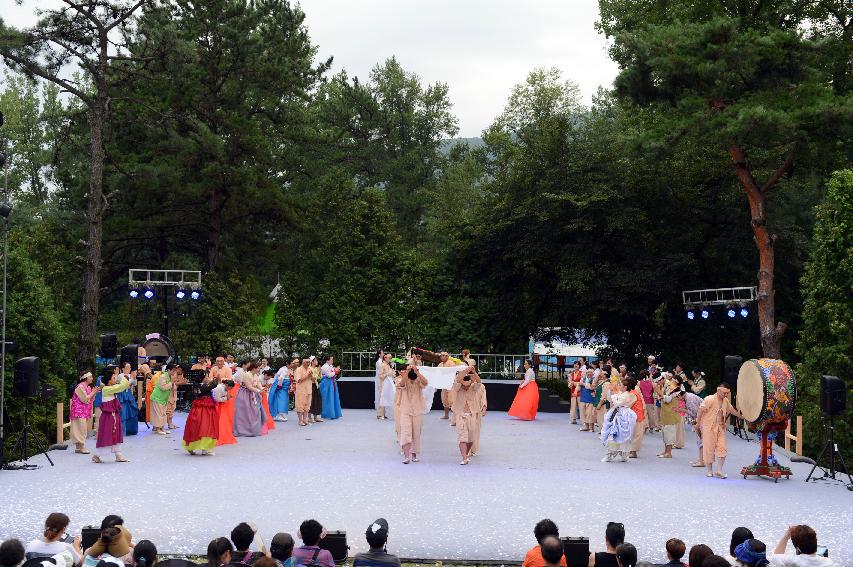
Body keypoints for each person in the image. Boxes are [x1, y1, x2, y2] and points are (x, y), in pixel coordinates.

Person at [695, 383, 744, 478]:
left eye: (727, 393)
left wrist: (741, 416)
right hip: (708, 427)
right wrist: (697, 423)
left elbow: (731, 410)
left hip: (720, 428)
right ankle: (709, 470)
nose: (726, 395)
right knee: (708, 448)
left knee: (722, 448)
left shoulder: (725, 401)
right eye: (724, 393)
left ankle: (719, 470)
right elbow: (700, 410)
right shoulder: (710, 399)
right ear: (718, 390)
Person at [93, 367, 132, 463]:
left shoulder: (110, 388)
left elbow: (123, 386)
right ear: (109, 380)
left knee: (117, 434)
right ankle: (97, 455)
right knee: (107, 435)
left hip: (114, 416)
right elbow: (121, 387)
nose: (115, 379)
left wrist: (123, 378)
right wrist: (122, 376)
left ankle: (118, 454)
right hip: (108, 417)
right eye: (113, 378)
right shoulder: (106, 389)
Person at [451, 364, 485, 465]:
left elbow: (479, 382)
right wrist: (465, 371)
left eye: (468, 384)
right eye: (464, 384)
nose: (466, 386)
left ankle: (466, 453)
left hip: (472, 414)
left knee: (471, 439)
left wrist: (473, 372)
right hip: (460, 414)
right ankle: (464, 457)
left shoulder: (474, 387)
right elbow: (457, 380)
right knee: (462, 437)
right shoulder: (457, 387)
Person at [183, 370, 220, 455]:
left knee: (197, 426)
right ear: (202, 378)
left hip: (199, 408)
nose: (208, 378)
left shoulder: (198, 386)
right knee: (206, 426)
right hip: (205, 408)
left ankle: (195, 447)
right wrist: (216, 379)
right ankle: (204, 448)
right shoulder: (202, 386)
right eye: (206, 377)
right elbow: (213, 385)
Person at [601, 379, 638, 462]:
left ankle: (623, 454)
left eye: (620, 385)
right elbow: (611, 400)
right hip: (616, 413)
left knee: (623, 435)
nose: (619, 386)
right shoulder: (620, 393)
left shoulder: (627, 395)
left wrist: (614, 394)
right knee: (612, 435)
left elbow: (617, 403)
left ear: (625, 387)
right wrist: (611, 391)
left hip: (623, 415)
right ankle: (610, 454)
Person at [397, 364, 428, 463]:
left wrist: (417, 372)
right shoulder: (402, 379)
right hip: (405, 410)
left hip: (417, 410)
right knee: (406, 433)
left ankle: (414, 455)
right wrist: (407, 371)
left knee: (416, 433)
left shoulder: (418, 380)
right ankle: (406, 456)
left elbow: (426, 382)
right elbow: (401, 384)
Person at [69, 372, 101, 454]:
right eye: (90, 377)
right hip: (78, 411)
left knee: (80, 428)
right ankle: (81, 446)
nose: (92, 378)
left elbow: (90, 399)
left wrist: (95, 392)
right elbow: (85, 399)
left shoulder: (88, 387)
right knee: (80, 428)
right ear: (85, 378)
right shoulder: (80, 387)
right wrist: (93, 392)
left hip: (83, 411)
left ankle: (78, 447)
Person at [233, 362, 266, 437]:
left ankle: (253, 429)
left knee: (255, 411)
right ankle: (242, 430)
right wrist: (259, 391)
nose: (259, 369)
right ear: (254, 368)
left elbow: (258, 383)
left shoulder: (255, 375)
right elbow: (249, 386)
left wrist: (262, 389)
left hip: (254, 394)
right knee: (244, 412)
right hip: (245, 394)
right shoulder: (247, 375)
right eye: (258, 368)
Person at [654, 373, 680, 459]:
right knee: (665, 432)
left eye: (658, 381)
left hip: (670, 412)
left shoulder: (671, 386)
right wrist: (659, 395)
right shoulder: (665, 385)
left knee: (669, 432)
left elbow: (668, 399)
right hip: (665, 412)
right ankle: (665, 451)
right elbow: (663, 397)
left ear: (662, 379)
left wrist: (659, 393)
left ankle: (669, 453)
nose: (658, 383)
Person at [150, 363, 178, 436]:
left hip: (163, 399)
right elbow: (163, 387)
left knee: (163, 414)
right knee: (159, 414)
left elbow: (173, 388)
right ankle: (158, 429)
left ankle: (161, 428)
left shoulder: (169, 377)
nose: (174, 373)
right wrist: (171, 382)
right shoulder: (162, 377)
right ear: (168, 370)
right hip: (157, 398)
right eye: (173, 371)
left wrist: (173, 382)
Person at [116, 363, 139, 436]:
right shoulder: (120, 375)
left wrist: (134, 377)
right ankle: (122, 431)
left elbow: (135, 384)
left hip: (129, 394)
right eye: (127, 368)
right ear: (123, 368)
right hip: (122, 395)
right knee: (123, 412)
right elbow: (124, 385)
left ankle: (131, 430)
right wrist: (132, 378)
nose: (129, 369)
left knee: (132, 411)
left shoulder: (130, 375)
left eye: (129, 368)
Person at [627, 374, 646, 458]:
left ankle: (633, 451)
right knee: (635, 433)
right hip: (636, 415)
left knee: (636, 434)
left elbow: (627, 405)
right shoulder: (632, 392)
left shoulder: (632, 393)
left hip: (636, 416)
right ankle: (632, 450)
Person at [319, 356, 342, 420]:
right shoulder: (324, 367)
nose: (332, 361)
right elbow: (329, 375)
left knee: (332, 398)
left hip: (331, 383)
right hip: (326, 384)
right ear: (327, 360)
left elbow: (333, 374)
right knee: (326, 399)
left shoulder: (330, 366)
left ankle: (333, 414)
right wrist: (335, 371)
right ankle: (325, 414)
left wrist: (335, 371)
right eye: (331, 360)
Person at [294, 358, 313, 426]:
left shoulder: (310, 369)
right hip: (301, 391)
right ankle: (300, 421)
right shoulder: (298, 370)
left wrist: (311, 376)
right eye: (307, 362)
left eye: (309, 362)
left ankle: (305, 420)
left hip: (308, 390)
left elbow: (313, 380)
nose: (308, 363)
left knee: (307, 406)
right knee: (300, 406)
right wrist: (307, 376)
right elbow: (298, 380)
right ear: (303, 362)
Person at [375, 354, 395, 420]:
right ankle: (379, 414)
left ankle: (384, 413)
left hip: (388, 384)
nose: (390, 359)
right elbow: (380, 376)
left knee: (386, 397)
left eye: (391, 358)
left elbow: (391, 374)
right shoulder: (382, 365)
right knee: (382, 398)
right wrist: (387, 374)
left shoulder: (389, 365)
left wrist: (393, 373)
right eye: (389, 358)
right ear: (385, 358)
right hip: (383, 384)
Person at [438, 352, 456, 423]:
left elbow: (452, 372)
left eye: (444, 356)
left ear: (447, 356)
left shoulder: (451, 363)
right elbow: (438, 373)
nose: (442, 357)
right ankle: (446, 415)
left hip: (451, 384)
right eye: (441, 356)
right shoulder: (440, 364)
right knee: (444, 400)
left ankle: (454, 417)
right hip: (444, 384)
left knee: (452, 400)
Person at [309, 357, 324, 423]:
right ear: (312, 361)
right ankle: (309, 417)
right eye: (315, 360)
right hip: (311, 385)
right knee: (311, 401)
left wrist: (320, 371)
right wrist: (318, 372)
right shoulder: (309, 368)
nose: (317, 361)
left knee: (317, 400)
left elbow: (320, 377)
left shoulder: (317, 368)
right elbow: (312, 378)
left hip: (317, 385)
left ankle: (315, 417)